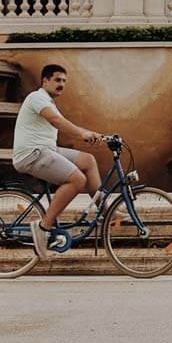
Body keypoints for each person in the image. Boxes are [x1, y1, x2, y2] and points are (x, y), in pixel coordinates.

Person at [12, 64, 108, 258]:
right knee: (77, 180)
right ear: (45, 81)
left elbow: (65, 126)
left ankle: (106, 211)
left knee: (88, 160)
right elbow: (58, 122)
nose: (61, 84)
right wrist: (83, 133)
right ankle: (43, 227)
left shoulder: (49, 101)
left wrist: (100, 137)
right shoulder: (37, 98)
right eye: (57, 80)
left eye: (64, 81)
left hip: (47, 150)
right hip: (32, 154)